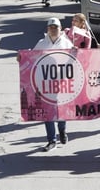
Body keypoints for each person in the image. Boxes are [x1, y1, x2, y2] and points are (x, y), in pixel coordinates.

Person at [33, 17, 74, 150]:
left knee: (60, 109)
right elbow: (31, 59)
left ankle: (62, 129)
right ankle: (51, 140)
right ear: (47, 29)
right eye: (51, 27)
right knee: (48, 111)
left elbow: (74, 59)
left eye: (55, 27)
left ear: (60, 28)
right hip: (46, 84)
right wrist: (21, 57)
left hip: (62, 83)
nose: (53, 29)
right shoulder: (41, 43)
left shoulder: (66, 43)